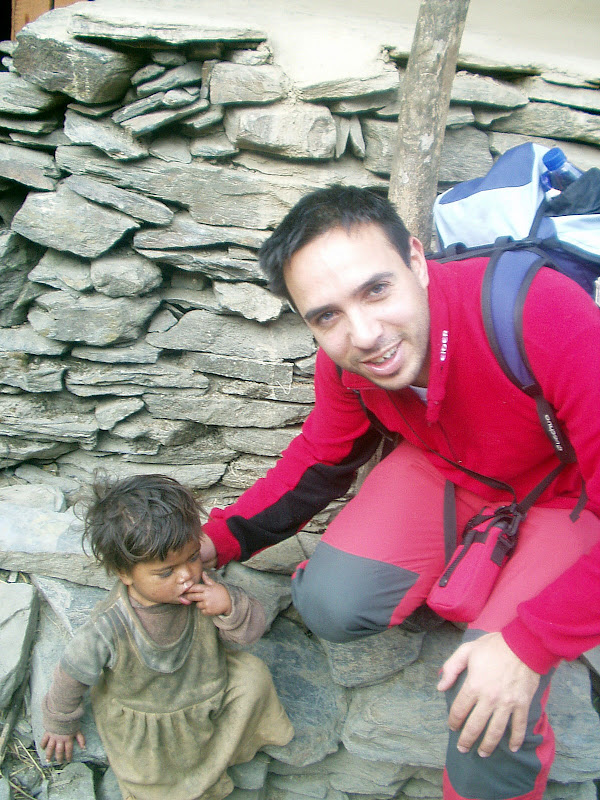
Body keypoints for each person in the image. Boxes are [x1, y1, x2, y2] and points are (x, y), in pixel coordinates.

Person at [200, 185, 600, 800]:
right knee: (329, 604)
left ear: (417, 259)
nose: (363, 335)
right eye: (326, 316)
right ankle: (481, 569)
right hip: (451, 467)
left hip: (565, 493)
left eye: (376, 289)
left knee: (484, 706)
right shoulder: (346, 365)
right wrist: (217, 540)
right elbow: (320, 459)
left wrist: (530, 641)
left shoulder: (540, 312)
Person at [41, 473, 293, 800]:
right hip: (153, 715)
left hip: (208, 684)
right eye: (166, 572)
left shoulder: (205, 587)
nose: (187, 575)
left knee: (253, 676)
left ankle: (230, 750)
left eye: (192, 557)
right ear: (124, 573)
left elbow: (249, 633)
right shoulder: (109, 628)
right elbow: (71, 674)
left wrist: (229, 605)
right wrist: (60, 724)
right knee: (155, 778)